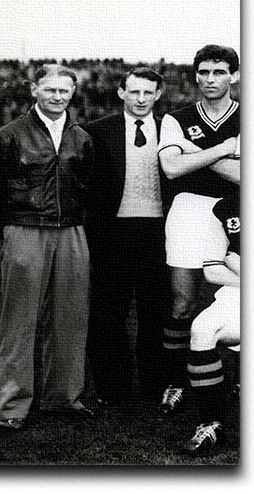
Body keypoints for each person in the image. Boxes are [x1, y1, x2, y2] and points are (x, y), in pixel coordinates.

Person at [0, 64, 95, 430]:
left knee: (70, 320)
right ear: (34, 90)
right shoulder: (8, 136)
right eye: (50, 90)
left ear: (73, 93)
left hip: (72, 232)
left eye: (64, 90)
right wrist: (9, 230)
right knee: (20, 321)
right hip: (25, 229)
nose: (57, 96)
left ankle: (63, 398)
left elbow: (88, 189)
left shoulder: (81, 138)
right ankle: (12, 405)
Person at [156, 45, 241, 415]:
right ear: (195, 75)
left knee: (238, 300)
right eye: (204, 72)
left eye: (219, 72)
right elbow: (173, 169)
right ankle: (175, 381)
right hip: (189, 208)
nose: (210, 79)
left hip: (237, 210)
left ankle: (238, 378)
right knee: (182, 303)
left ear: (234, 76)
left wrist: (196, 153)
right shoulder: (176, 118)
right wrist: (223, 149)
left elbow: (249, 177)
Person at [84, 67, 170, 405]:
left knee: (155, 311)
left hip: (158, 231)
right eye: (134, 92)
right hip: (113, 231)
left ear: (158, 95)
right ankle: (112, 389)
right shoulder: (97, 131)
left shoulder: (170, 129)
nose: (141, 99)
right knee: (109, 312)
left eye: (148, 93)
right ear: (121, 92)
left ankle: (154, 385)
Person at [181, 191, 241, 454]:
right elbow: (213, 270)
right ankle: (211, 423)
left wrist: (238, 263)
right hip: (238, 291)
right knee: (202, 328)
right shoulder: (225, 207)